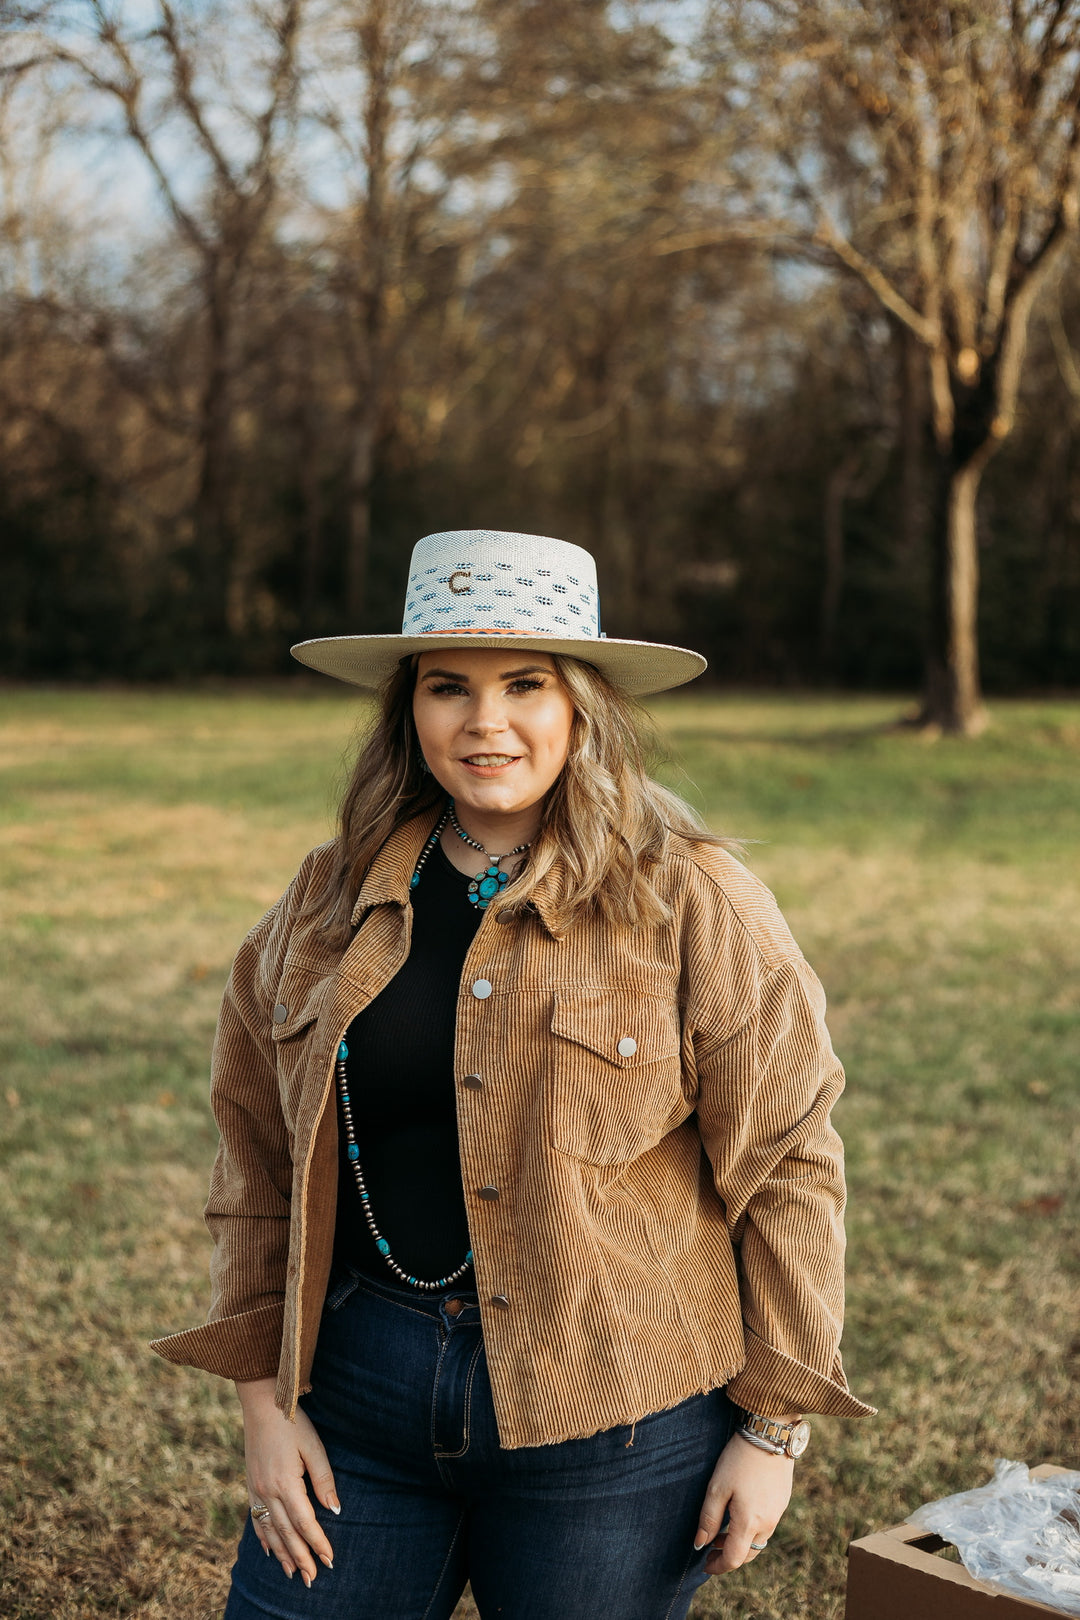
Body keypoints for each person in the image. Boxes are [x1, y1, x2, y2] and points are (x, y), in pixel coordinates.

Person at [152, 529, 873, 1620]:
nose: (485, 721)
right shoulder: (326, 899)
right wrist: (265, 1402)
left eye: (525, 684)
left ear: (583, 705)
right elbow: (253, 1155)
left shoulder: (693, 900)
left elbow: (788, 1164)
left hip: (617, 1413)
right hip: (359, 1395)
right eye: (448, 687)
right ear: (408, 711)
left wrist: (771, 1430)